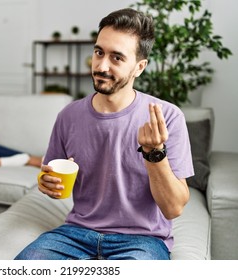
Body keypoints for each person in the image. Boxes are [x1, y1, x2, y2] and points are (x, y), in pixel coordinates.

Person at [15, 8, 194, 260]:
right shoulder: (69, 115)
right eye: (99, 52)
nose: (101, 65)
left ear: (139, 67)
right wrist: (47, 184)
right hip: (76, 233)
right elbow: (50, 174)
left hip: (142, 239)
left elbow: (174, 207)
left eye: (117, 58)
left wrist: (154, 153)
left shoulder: (167, 117)